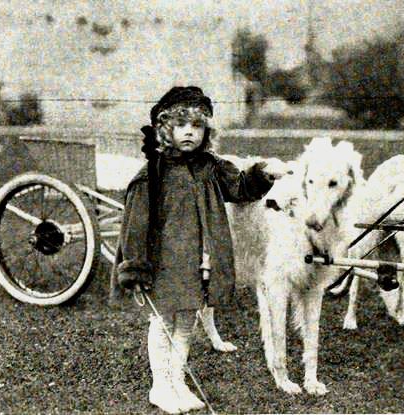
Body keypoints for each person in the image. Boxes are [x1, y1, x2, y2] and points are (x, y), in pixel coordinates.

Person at [114, 86, 286, 413]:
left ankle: (177, 382)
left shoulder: (210, 166)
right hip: (164, 264)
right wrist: (135, 267)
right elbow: (135, 225)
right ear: (165, 129)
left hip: (198, 262)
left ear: (206, 130)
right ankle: (160, 385)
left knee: (186, 324)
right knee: (164, 323)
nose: (189, 132)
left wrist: (262, 173)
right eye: (181, 125)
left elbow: (240, 187)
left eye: (197, 125)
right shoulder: (153, 173)